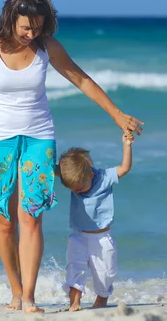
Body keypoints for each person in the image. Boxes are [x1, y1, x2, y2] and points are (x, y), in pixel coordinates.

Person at [0, 0, 143, 313]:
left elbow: (81, 79)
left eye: (37, 27)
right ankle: (16, 292)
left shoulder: (47, 47)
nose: (30, 34)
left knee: (31, 217)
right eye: (25, 28)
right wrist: (7, 115)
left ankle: (30, 298)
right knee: (5, 221)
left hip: (38, 137)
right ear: (10, 19)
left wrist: (117, 114)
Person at [57, 131, 134, 312]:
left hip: (102, 237)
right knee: (75, 269)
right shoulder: (75, 179)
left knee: (106, 274)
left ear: (91, 175)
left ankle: (101, 299)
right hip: (78, 236)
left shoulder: (105, 178)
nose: (79, 192)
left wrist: (127, 145)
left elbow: (125, 168)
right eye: (74, 190)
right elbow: (51, 169)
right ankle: (74, 303)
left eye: (81, 188)